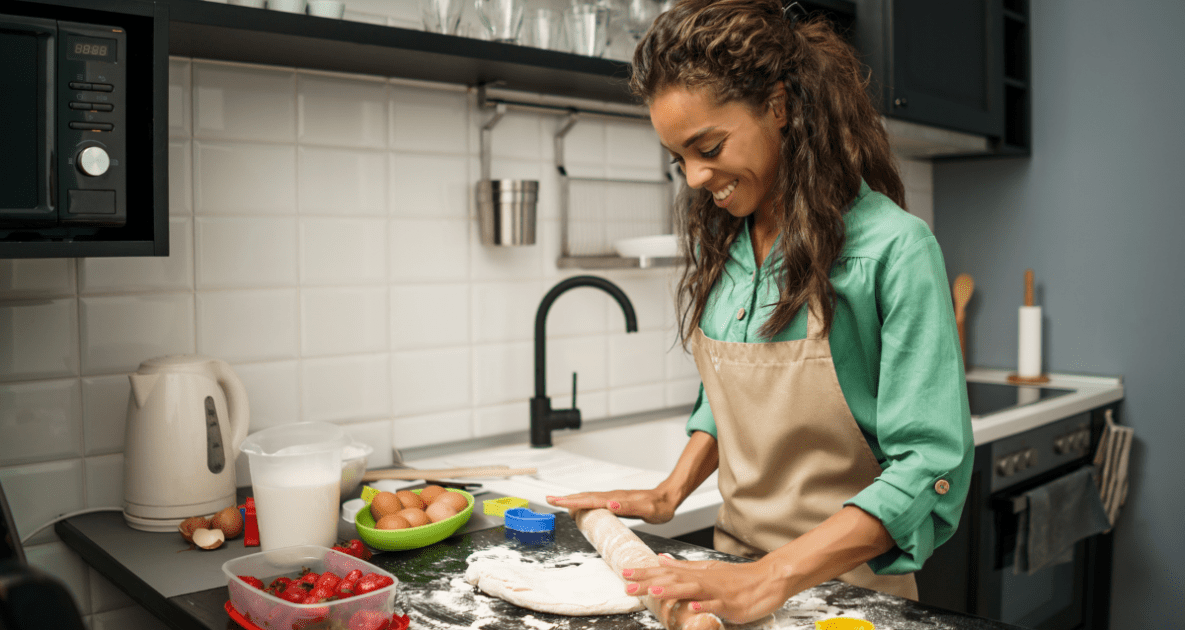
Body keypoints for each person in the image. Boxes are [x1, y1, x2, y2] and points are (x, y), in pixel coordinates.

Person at [546, 0, 974, 623]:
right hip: (731, 582)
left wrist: (774, 578)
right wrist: (671, 492)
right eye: (679, 159)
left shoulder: (894, 249)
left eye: (708, 146)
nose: (694, 178)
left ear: (778, 106)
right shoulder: (726, 240)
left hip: (850, 596)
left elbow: (930, 465)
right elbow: (733, 398)